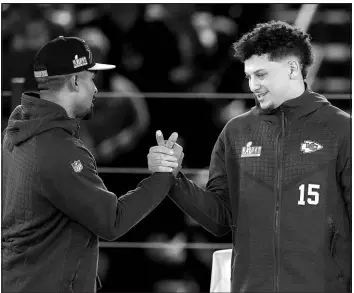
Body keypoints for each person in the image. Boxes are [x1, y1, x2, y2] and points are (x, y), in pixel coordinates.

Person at [148, 20, 351, 292]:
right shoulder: (236, 132)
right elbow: (220, 220)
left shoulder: (341, 129)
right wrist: (174, 180)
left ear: (292, 69)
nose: (253, 85)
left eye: (262, 74)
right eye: (249, 76)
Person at [1, 36, 181, 293]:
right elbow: (112, 222)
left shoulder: (14, 131)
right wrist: (164, 175)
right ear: (75, 81)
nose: (96, 89)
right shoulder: (61, 150)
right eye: (91, 79)